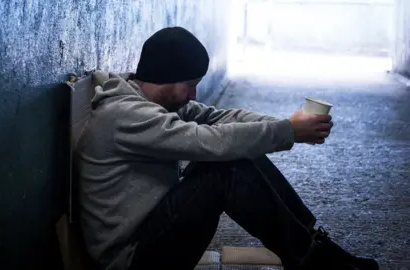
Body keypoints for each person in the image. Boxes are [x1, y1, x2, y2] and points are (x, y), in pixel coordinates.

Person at [76, 26, 379, 270]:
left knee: (240, 150)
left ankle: (315, 249)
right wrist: (288, 131)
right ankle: (312, 260)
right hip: (131, 258)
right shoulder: (125, 116)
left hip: (151, 231)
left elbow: (221, 118)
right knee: (224, 167)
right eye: (190, 84)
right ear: (166, 77)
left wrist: (289, 124)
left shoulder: (149, 102)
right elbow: (210, 142)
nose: (194, 94)